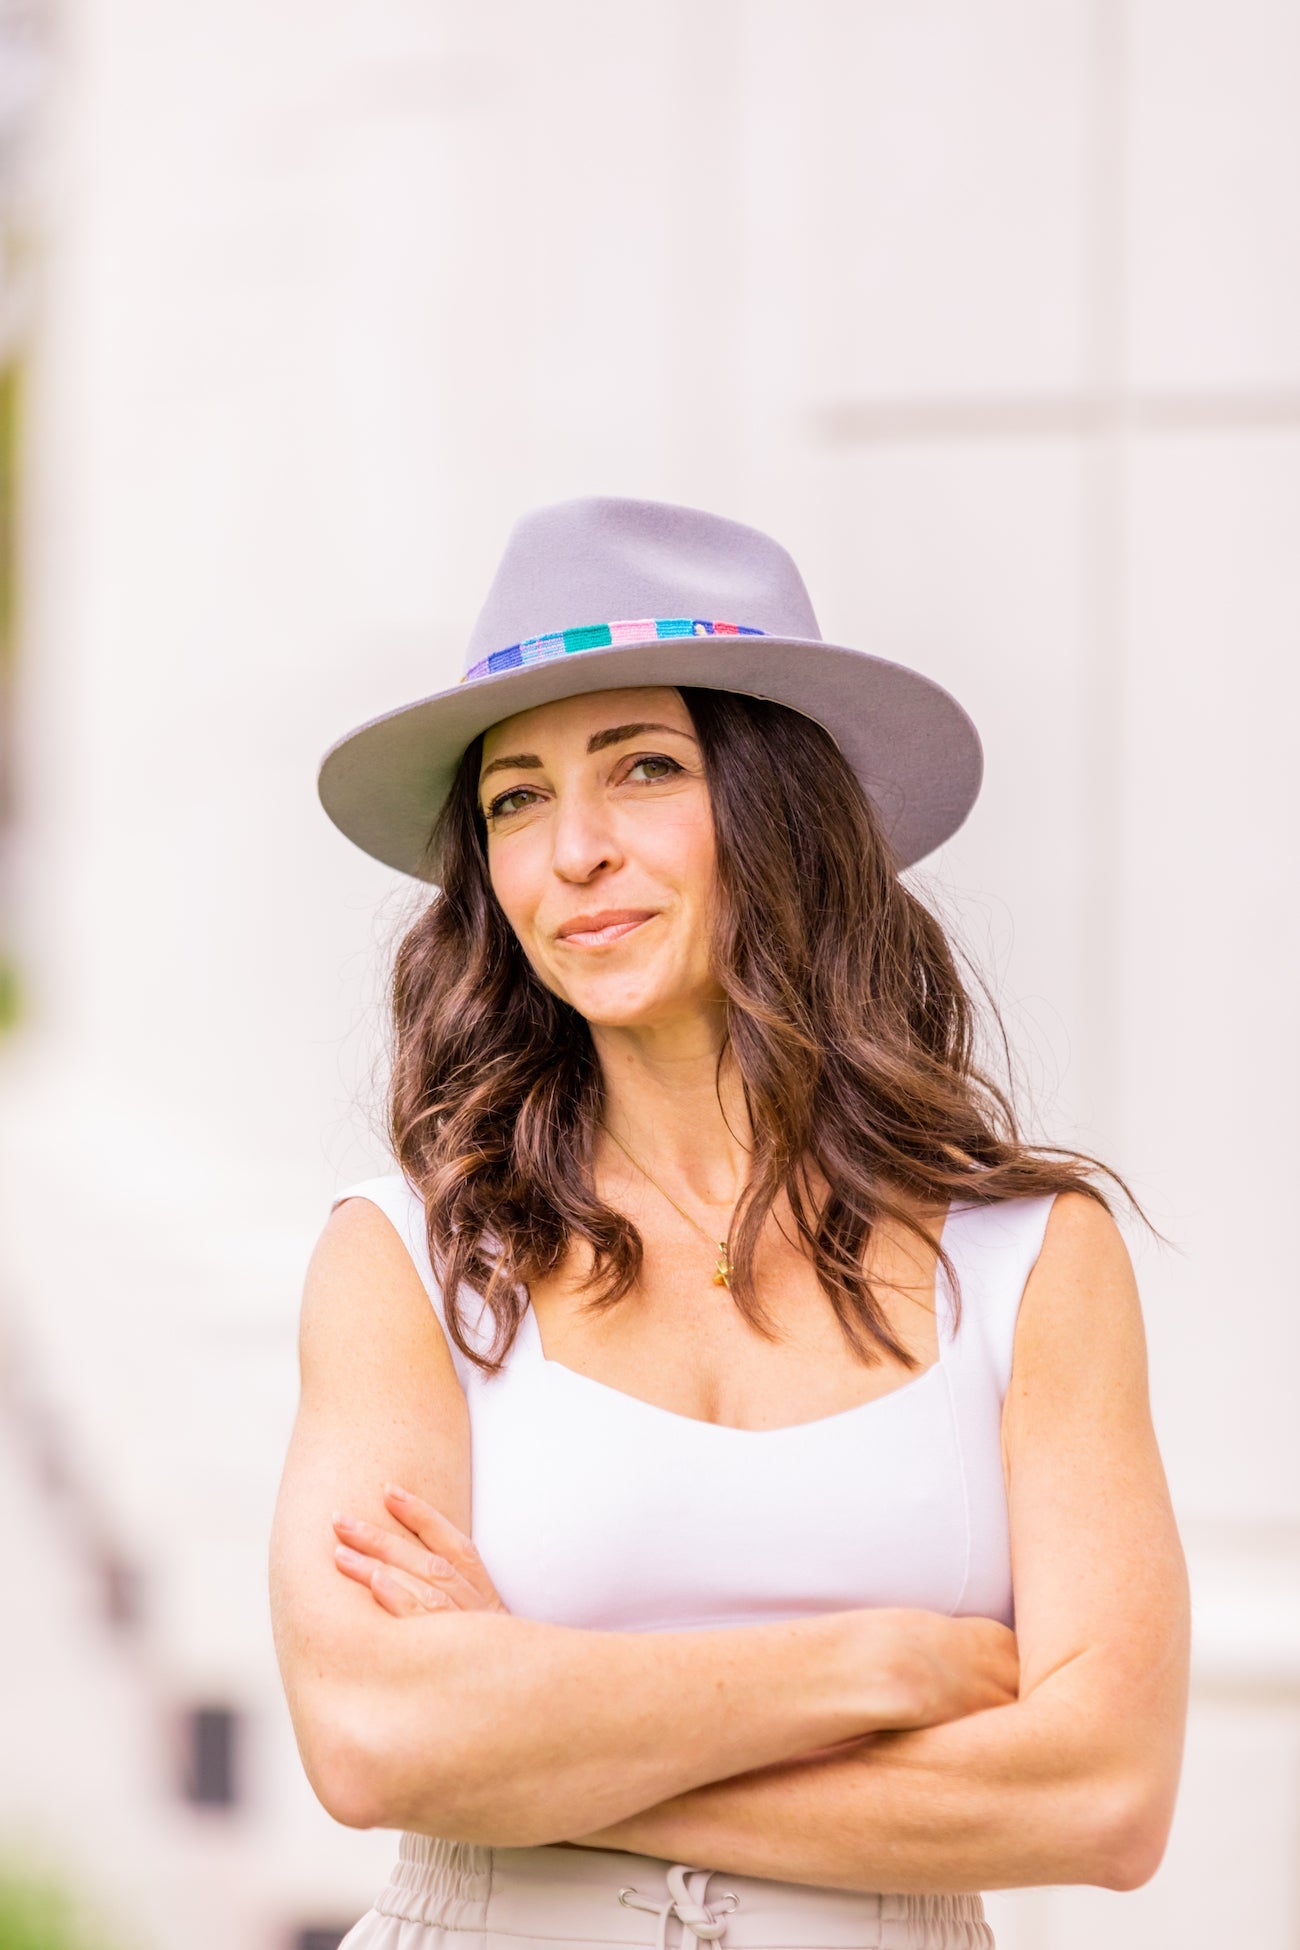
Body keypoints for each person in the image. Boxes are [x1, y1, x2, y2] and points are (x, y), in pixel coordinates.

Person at [269, 496, 1190, 1950]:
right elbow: (375, 1740)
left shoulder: (1033, 1260)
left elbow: (1103, 1795)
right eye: (515, 797)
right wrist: (872, 1662)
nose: (572, 849)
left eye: (643, 768)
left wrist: (534, 1725)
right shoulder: (409, 1262)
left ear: (781, 807)